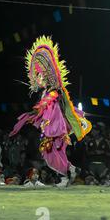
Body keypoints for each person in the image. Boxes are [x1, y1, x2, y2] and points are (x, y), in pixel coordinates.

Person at [10, 36, 92, 187]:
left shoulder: (54, 90)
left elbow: (51, 100)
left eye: (39, 75)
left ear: (46, 75)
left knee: (53, 153)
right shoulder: (46, 91)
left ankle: (67, 176)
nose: (38, 78)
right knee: (49, 154)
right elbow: (44, 105)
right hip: (50, 129)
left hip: (57, 128)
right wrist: (36, 113)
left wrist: (40, 106)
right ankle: (70, 170)